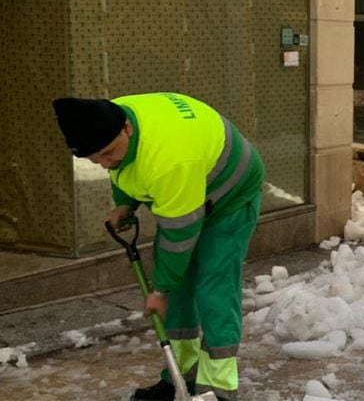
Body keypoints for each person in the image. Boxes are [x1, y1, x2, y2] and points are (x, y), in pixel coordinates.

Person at [52, 93, 264, 401]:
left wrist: (159, 290)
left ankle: (217, 389)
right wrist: (125, 204)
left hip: (231, 195)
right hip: (186, 187)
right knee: (179, 290)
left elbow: (180, 236)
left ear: (127, 128)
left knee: (213, 287)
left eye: (108, 153)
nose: (104, 163)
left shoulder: (168, 159)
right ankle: (180, 376)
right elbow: (123, 170)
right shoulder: (110, 119)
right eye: (94, 160)